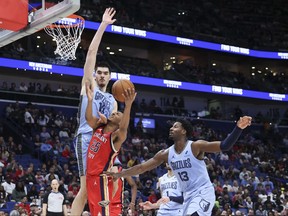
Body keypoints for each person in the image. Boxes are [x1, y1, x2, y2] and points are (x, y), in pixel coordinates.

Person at [105, 116, 252, 215]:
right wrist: (120, 174)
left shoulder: (196, 146)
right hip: (187, 197)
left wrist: (238, 128)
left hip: (203, 193)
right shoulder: (166, 154)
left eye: (175, 127)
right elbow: (142, 168)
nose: (171, 129)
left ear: (183, 131)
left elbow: (225, 146)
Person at [71, 7, 118, 215]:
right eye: (98, 72)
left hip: (102, 145)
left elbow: (115, 128)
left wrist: (106, 121)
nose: (101, 75)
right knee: (84, 189)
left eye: (105, 73)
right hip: (86, 137)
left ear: (109, 77)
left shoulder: (113, 101)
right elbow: (91, 53)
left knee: (104, 188)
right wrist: (103, 25)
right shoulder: (88, 85)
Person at [85, 81, 136, 215]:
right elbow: (89, 118)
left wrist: (128, 105)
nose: (114, 113)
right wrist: (90, 100)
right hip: (90, 178)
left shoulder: (115, 137)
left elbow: (124, 128)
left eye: (118, 114)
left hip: (101, 179)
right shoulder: (99, 127)